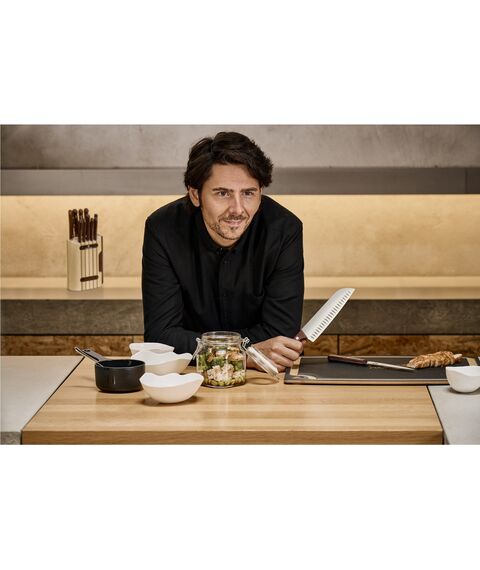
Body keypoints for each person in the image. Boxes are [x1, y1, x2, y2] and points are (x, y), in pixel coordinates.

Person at [142, 131, 304, 371]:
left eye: (248, 193)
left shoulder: (284, 230)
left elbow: (281, 336)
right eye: (222, 193)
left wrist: (203, 346)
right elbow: (161, 337)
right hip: (190, 377)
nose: (237, 209)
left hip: (265, 379)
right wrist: (243, 355)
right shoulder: (163, 229)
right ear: (195, 195)